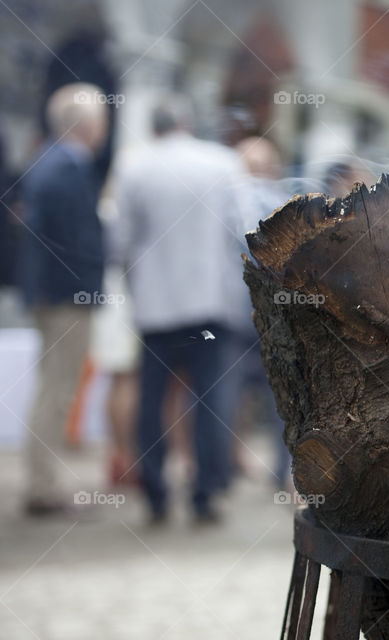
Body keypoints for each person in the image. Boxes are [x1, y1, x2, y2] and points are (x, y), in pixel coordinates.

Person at [111, 96, 246, 525]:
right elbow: (243, 232)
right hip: (208, 307)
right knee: (209, 400)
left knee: (152, 399)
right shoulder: (222, 164)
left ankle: (155, 491)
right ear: (188, 122)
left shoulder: (134, 167)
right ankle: (205, 492)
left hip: (156, 309)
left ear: (154, 127)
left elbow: (119, 242)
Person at [18, 83, 109, 516]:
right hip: (65, 298)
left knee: (53, 388)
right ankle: (42, 488)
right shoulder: (65, 168)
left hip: (54, 294)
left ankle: (43, 483)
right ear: (87, 124)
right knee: (57, 391)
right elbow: (74, 242)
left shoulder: (50, 162)